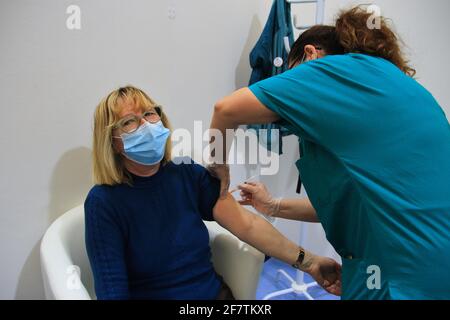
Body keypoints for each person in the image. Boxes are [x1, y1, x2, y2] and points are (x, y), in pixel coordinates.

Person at [208, 6, 450, 300]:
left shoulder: (327, 72)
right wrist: (272, 206)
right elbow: (349, 205)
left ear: (309, 55)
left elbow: (226, 109)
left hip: (398, 272)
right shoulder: (393, 85)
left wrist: (218, 167)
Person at [85, 85, 341, 300]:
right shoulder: (103, 203)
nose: (145, 125)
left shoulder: (187, 175)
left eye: (150, 114)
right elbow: (112, 289)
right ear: (113, 142)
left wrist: (310, 262)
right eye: (129, 121)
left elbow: (248, 224)